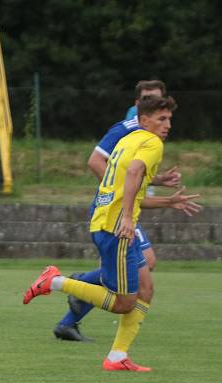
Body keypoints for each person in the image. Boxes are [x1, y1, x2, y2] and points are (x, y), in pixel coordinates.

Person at [24, 96, 180, 372]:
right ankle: (57, 281)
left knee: (146, 289)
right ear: (143, 120)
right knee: (123, 303)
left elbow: (124, 183)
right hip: (116, 229)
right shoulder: (152, 143)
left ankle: (118, 357)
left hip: (106, 223)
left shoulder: (126, 142)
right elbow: (133, 173)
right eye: (161, 119)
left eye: (169, 119)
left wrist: (168, 201)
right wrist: (129, 218)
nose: (167, 125)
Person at [52, 81, 200, 342]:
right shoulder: (126, 129)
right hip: (117, 212)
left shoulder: (146, 136)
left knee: (140, 275)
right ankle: (80, 286)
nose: (155, 104)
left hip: (126, 209)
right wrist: (119, 199)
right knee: (134, 282)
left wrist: (158, 182)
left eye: (157, 99)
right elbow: (96, 161)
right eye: (147, 99)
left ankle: (86, 326)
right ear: (138, 105)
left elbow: (129, 170)